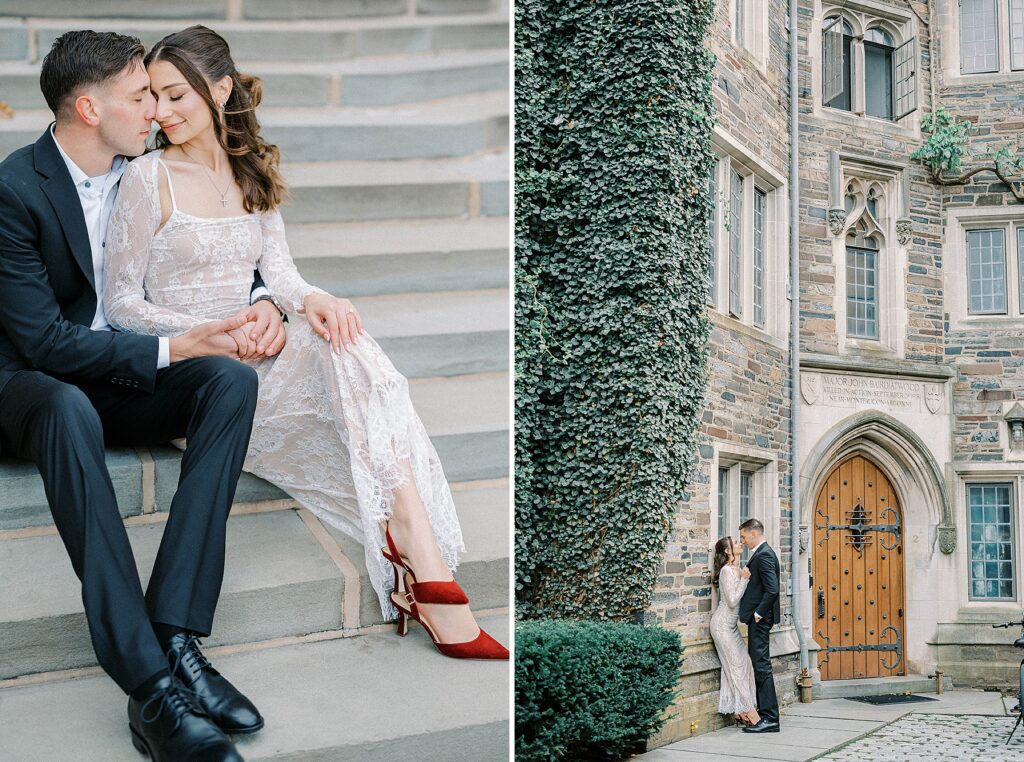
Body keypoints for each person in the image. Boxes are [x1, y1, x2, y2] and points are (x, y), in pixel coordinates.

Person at [103, 24, 508, 661]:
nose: (161, 111)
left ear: (221, 90)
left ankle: (416, 548)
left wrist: (306, 300)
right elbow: (121, 302)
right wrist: (204, 332)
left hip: (259, 351)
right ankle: (426, 573)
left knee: (343, 338)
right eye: (153, 97)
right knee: (339, 368)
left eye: (176, 95)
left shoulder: (249, 170)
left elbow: (283, 275)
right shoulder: (147, 177)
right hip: (197, 370)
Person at [0, 30, 276, 761]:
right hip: (30, 388)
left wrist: (265, 298)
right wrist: (175, 345)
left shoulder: (140, 172)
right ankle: (151, 689)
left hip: (113, 379)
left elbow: (217, 244)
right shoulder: (15, 188)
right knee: (66, 404)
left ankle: (178, 635)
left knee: (229, 379)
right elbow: (44, 345)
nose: (155, 108)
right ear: (88, 108)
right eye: (139, 95)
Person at [710, 536, 761, 728]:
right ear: (728, 551)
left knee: (744, 664)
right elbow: (732, 601)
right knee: (736, 667)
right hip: (722, 625)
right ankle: (750, 713)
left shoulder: (736, 569)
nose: (740, 544)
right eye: (736, 543)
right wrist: (745, 580)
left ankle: (740, 712)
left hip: (731, 627)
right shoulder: (726, 571)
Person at [738, 518, 782, 733]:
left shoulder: (764, 554)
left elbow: (772, 590)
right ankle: (767, 714)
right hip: (760, 619)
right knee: (760, 666)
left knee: (762, 667)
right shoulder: (764, 552)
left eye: (744, 537)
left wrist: (758, 613)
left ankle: (770, 718)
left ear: (753, 534)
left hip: (760, 620)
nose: (743, 541)